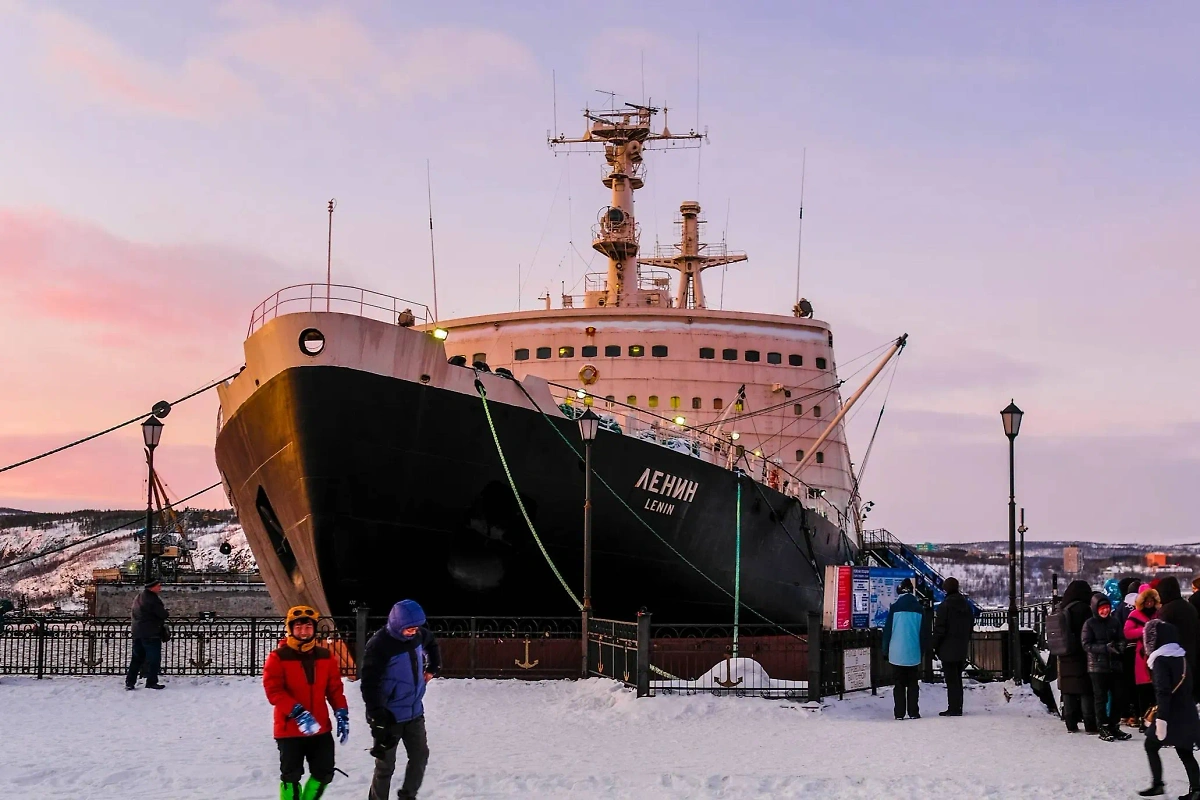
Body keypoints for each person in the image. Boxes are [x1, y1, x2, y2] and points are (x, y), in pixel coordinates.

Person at [263, 605, 350, 800]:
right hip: (289, 728)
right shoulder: (278, 658)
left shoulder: (326, 656)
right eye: (299, 627)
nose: (304, 632)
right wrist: (298, 712)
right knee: (291, 776)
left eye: (308, 627)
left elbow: (334, 689)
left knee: (324, 772)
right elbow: (273, 691)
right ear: (291, 629)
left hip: (320, 728)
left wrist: (341, 712)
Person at [361, 599, 441, 800]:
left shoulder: (417, 636)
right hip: (389, 716)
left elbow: (431, 642)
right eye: (409, 628)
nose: (414, 632)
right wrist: (377, 718)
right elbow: (369, 685)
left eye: (416, 628)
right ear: (398, 624)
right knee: (385, 766)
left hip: (414, 712)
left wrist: (432, 668)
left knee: (420, 756)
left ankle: (408, 795)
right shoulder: (379, 645)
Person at [1138, 619, 1200, 799]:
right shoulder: (1182, 657)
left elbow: (1163, 691)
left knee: (1150, 745)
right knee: (1185, 750)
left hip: (1170, 714)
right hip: (1187, 711)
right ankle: (1196, 789)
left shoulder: (1160, 661)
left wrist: (1161, 719)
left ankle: (1158, 784)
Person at [1081, 592, 1133, 741]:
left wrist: (1120, 647)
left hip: (1115, 664)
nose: (1105, 611)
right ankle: (1102, 726)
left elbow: (1122, 638)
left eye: (1107, 608)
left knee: (1118, 696)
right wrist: (1105, 648)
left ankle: (1114, 726)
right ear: (1095, 609)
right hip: (1097, 667)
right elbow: (1086, 645)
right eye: (1102, 608)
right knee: (1100, 698)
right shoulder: (1089, 624)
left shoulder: (1114, 622)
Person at [882, 577, 929, 720]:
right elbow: (924, 633)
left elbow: (888, 631)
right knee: (913, 684)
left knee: (899, 684)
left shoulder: (895, 608)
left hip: (896, 653)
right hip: (913, 652)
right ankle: (913, 712)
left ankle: (899, 713)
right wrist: (923, 650)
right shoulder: (920, 609)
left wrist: (885, 650)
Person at [1057, 579, 1099, 734]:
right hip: (1081, 653)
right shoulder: (1084, 610)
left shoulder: (1062, 608)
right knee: (1085, 689)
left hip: (1064, 654)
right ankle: (1090, 724)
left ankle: (1070, 723)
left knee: (1068, 689)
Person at [932, 576, 973, 716]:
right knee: (958, 679)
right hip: (961, 648)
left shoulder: (945, 606)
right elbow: (970, 627)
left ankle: (953, 708)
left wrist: (934, 646)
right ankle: (958, 707)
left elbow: (940, 629)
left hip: (947, 649)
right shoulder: (966, 606)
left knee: (951, 681)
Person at [125, 578, 168, 690]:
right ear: (152, 587)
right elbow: (162, 614)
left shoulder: (139, 597)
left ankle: (130, 682)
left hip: (138, 632)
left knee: (137, 658)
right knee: (154, 659)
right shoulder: (152, 599)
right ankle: (151, 681)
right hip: (150, 633)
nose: (160, 588)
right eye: (158, 586)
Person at [1126, 588, 1160, 728]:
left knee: (1156, 689)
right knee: (1143, 690)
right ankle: (1143, 720)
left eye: (1152, 600)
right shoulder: (1134, 614)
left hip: (1157, 654)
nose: (1149, 603)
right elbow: (1127, 632)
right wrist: (1146, 630)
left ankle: (1154, 720)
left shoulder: (1159, 614)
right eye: (1147, 601)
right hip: (1142, 656)